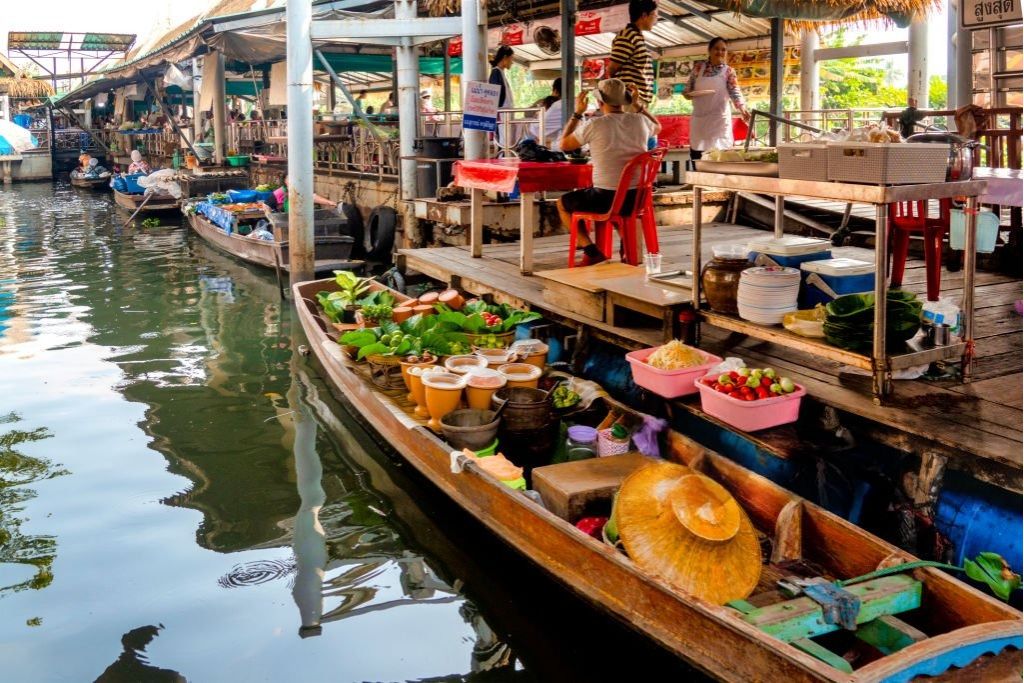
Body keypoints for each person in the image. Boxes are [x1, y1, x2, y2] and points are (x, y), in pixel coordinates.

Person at [557, 78, 661, 264]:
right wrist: (639, 106)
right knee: (611, 200)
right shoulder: (641, 121)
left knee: (563, 204)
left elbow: (564, 145)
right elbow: (658, 127)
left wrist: (577, 114)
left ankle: (591, 251)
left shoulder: (595, 125)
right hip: (637, 198)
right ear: (624, 101)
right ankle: (627, 247)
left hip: (606, 199)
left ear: (599, 102)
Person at [684, 37, 750, 161]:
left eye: (723, 50)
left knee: (719, 156)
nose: (720, 52)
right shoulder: (698, 68)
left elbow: (734, 91)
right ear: (709, 50)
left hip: (719, 120)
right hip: (700, 120)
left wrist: (742, 109)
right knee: (698, 155)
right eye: (716, 49)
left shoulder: (728, 71)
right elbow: (688, 89)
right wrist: (687, 94)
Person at [609, 0, 659, 111]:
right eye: (655, 15)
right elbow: (612, 69)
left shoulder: (636, 36)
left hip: (637, 99)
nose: (656, 19)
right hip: (630, 99)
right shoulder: (628, 36)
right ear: (644, 15)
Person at [489, 45, 515, 110]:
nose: (512, 62)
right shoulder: (496, 72)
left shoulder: (500, 72)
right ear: (505, 57)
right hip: (501, 116)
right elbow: (495, 98)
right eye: (511, 58)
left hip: (505, 115)